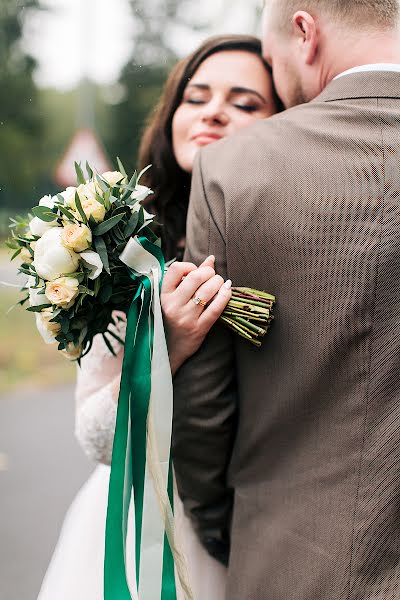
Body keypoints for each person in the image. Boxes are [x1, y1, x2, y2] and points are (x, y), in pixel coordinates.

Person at [37, 35, 279, 600]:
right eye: (196, 97)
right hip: (136, 528)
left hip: (257, 531)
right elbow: (94, 436)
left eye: (245, 103)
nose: (214, 110)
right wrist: (165, 346)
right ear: (172, 114)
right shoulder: (120, 247)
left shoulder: (292, 243)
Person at [172, 1, 400, 599]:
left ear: (305, 34)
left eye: (270, 65)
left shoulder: (231, 171)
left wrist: (233, 535)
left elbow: (205, 408)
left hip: (287, 568)